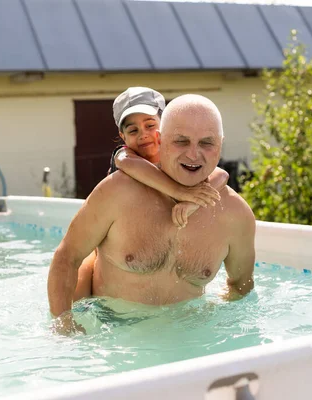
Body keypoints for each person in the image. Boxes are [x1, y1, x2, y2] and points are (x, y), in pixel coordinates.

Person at [47, 94, 256, 334]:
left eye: (206, 143)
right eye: (181, 141)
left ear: (220, 143)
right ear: (161, 139)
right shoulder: (116, 192)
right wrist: (64, 324)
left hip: (187, 339)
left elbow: (241, 288)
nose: (193, 154)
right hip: (112, 335)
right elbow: (66, 257)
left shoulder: (235, 214)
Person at [72, 87, 229, 302]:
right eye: (133, 130)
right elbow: (133, 166)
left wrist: (191, 203)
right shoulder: (125, 156)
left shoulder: (178, 154)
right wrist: (181, 192)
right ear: (122, 136)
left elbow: (221, 174)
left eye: (150, 125)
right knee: (80, 291)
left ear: (165, 126)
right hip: (111, 248)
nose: (143, 134)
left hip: (155, 245)